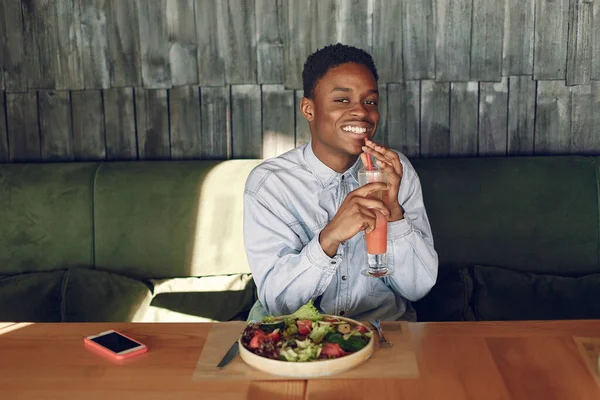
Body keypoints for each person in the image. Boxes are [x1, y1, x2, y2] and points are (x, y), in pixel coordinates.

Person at [243, 43, 438, 322]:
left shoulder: (395, 171)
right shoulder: (271, 185)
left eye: (370, 101)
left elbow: (419, 287)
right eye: (342, 100)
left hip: (384, 333)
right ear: (309, 110)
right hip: (297, 338)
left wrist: (393, 212)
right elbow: (279, 302)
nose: (361, 112)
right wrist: (330, 236)